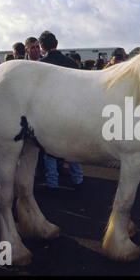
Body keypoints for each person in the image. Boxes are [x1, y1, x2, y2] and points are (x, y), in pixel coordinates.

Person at [38, 30, 83, 190]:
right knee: (71, 146)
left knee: (49, 149)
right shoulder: (71, 63)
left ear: (42, 46)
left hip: (50, 111)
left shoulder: (40, 65)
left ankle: (52, 182)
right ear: (56, 43)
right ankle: (77, 178)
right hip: (71, 110)